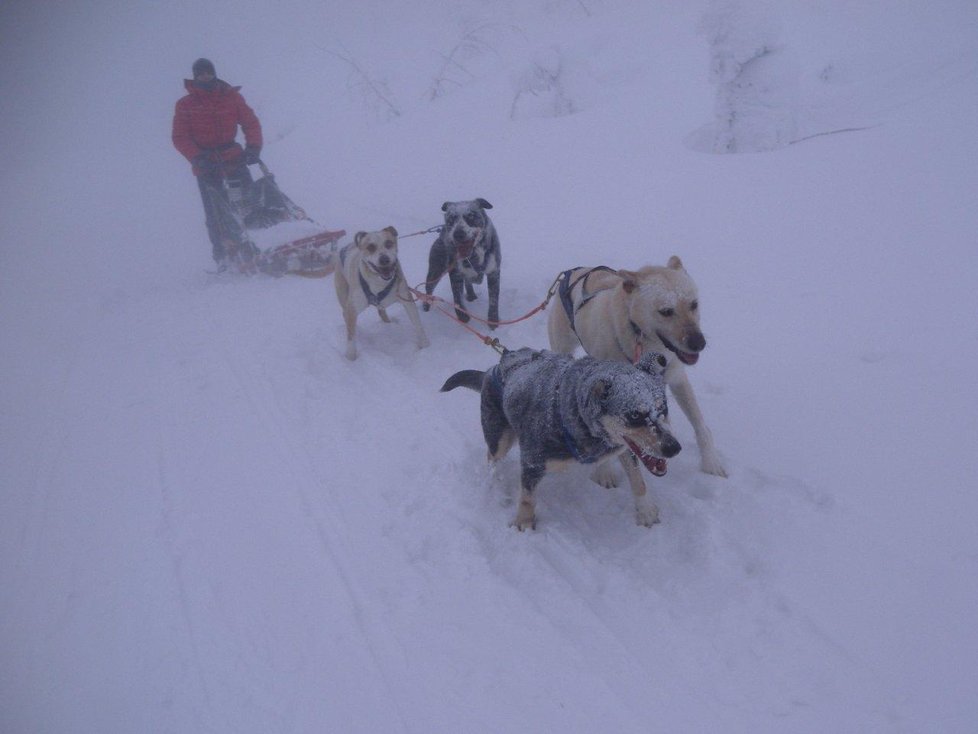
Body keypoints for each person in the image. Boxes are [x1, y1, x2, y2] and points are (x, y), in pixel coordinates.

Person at [172, 58, 263, 268]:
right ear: (195, 77)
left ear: (214, 73)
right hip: (207, 166)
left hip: (233, 158)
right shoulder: (185, 105)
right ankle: (224, 255)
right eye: (201, 74)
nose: (205, 77)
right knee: (216, 213)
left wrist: (253, 148)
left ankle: (258, 243)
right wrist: (196, 156)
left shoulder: (231, 97)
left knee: (248, 203)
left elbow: (250, 123)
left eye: (208, 73)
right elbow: (180, 137)